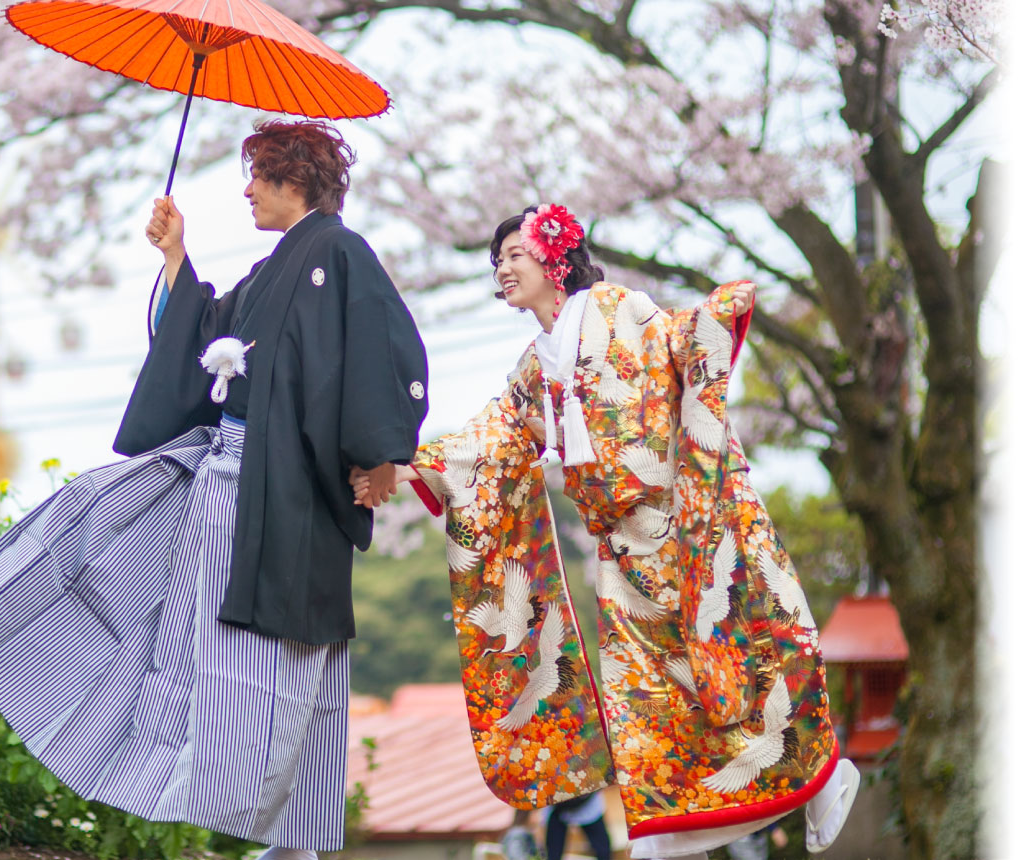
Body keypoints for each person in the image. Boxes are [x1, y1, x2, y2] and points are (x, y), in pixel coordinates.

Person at [0, 119, 430, 859]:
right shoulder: (277, 268)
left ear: (291, 177)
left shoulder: (338, 252)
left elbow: (384, 348)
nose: (246, 189)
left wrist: (382, 452)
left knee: (275, 663)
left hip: (283, 499)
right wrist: (175, 255)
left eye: (257, 174)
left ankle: (293, 844)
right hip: (229, 478)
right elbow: (207, 333)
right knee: (98, 517)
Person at [351, 205, 859, 860]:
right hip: (621, 556)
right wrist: (402, 465)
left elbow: (681, 343)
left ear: (555, 257)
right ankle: (668, 830)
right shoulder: (535, 370)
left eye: (514, 254)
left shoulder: (620, 308)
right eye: (496, 260)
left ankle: (820, 775)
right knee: (651, 702)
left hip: (682, 530)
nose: (502, 269)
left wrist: (713, 320)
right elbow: (491, 444)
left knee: (747, 663)